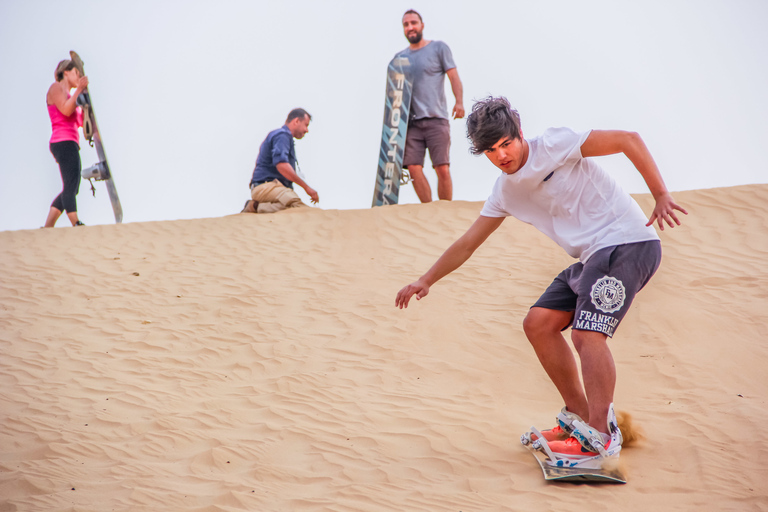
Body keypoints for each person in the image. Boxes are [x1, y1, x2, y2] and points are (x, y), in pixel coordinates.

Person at [395, 96, 688, 465]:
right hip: (592, 257)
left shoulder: (554, 145)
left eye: (506, 143)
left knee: (587, 334)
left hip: (627, 241)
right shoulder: (505, 192)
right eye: (490, 150)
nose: (501, 155)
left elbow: (628, 139)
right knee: (538, 323)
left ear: (519, 134)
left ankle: (600, 437)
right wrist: (426, 280)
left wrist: (661, 194)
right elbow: (469, 242)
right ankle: (580, 417)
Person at [397, 9, 464, 203]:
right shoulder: (400, 58)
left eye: (413, 23)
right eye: (406, 24)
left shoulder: (439, 48)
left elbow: (453, 76)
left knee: (442, 167)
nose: (410, 27)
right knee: (413, 168)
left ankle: (444, 210)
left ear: (422, 25)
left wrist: (459, 102)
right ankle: (429, 212)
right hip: (411, 124)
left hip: (437, 119)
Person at [241, 108, 319, 214]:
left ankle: (255, 207)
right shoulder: (282, 135)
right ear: (296, 121)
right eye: (306, 125)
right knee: (297, 206)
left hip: (272, 188)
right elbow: (281, 165)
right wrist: (307, 188)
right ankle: (255, 207)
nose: (307, 130)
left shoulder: (284, 137)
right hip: (266, 186)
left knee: (291, 208)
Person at [44, 59, 89, 227]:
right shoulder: (55, 88)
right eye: (77, 73)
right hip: (61, 142)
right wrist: (78, 91)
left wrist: (85, 108)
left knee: (72, 187)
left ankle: (48, 226)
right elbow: (65, 109)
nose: (79, 77)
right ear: (66, 72)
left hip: (71, 143)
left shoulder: (73, 96)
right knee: (70, 184)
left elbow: (83, 127)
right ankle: (75, 222)